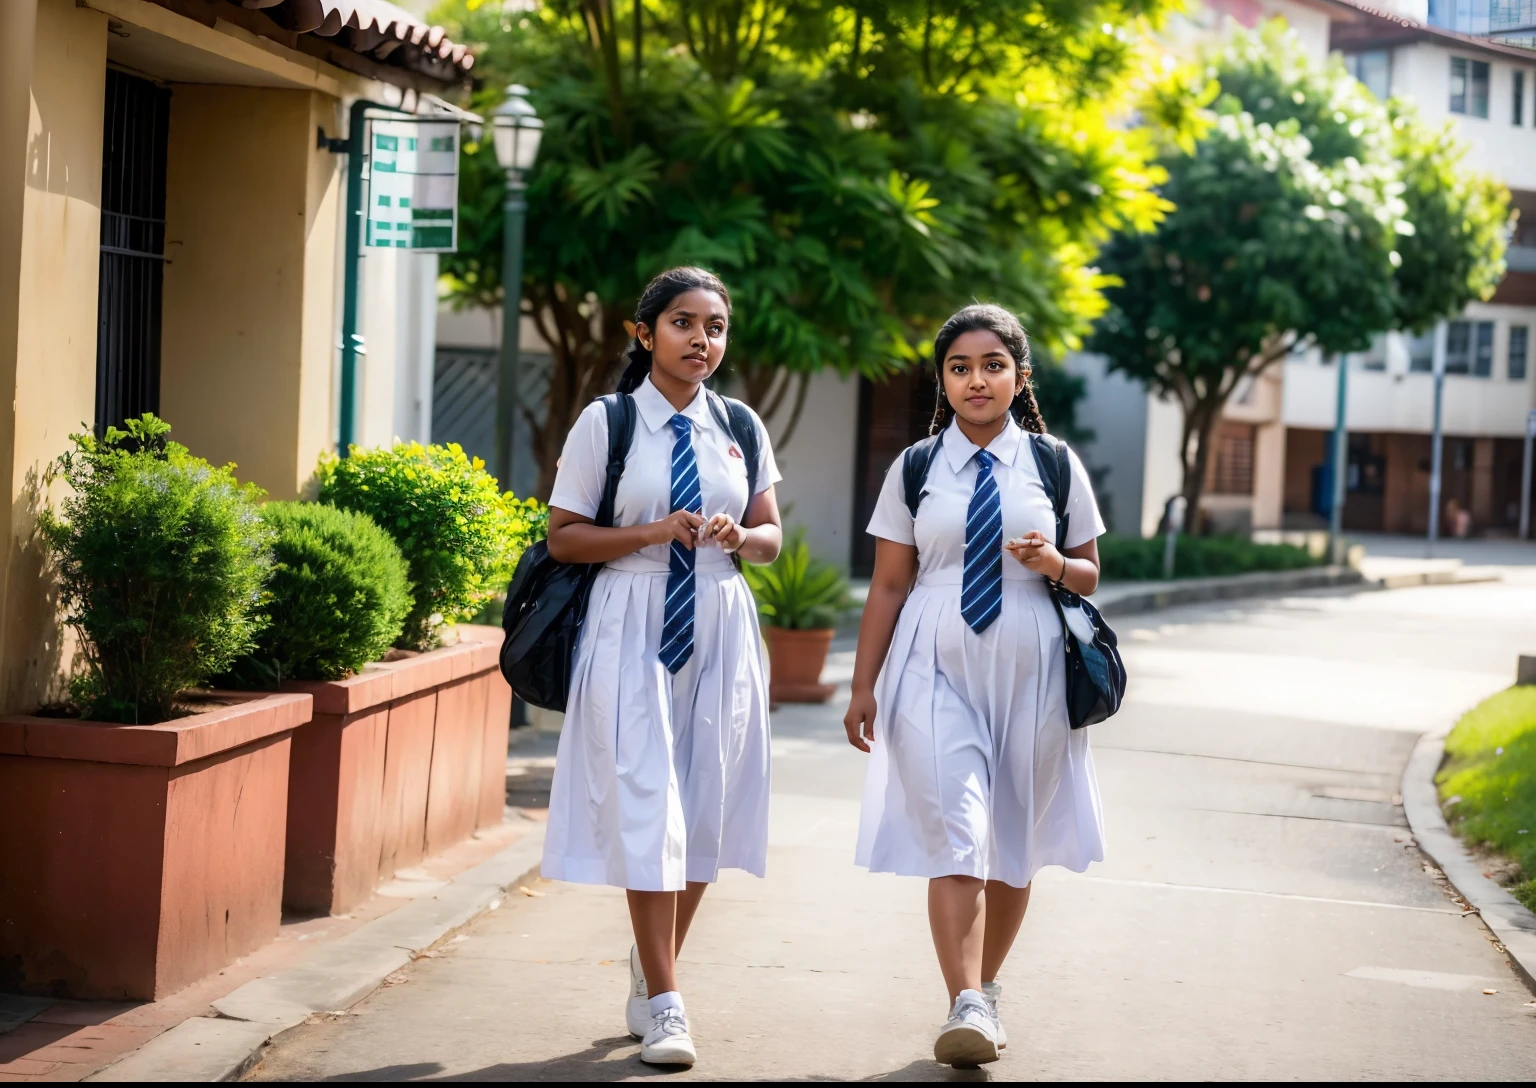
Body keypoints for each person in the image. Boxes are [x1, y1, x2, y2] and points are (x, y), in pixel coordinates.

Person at [843, 303, 1106, 1069]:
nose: (976, 379)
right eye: (959, 367)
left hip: (1032, 669)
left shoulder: (1054, 464)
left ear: (1019, 377)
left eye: (993, 365)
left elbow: (1090, 574)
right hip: (932, 660)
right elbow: (889, 586)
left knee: (1011, 840)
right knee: (958, 830)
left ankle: (985, 988)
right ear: (944, 381)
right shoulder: (916, 468)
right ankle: (963, 1000)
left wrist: (1052, 564)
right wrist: (864, 686)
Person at [541, 267, 783, 1067]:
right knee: (649, 803)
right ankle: (671, 1004)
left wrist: (736, 538)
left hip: (718, 621)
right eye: (684, 323)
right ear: (644, 334)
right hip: (630, 621)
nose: (703, 340)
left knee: (704, 808)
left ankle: (651, 974)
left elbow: (771, 535)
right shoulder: (605, 424)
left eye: (715, 326)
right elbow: (565, 537)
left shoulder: (740, 426)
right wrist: (650, 533)